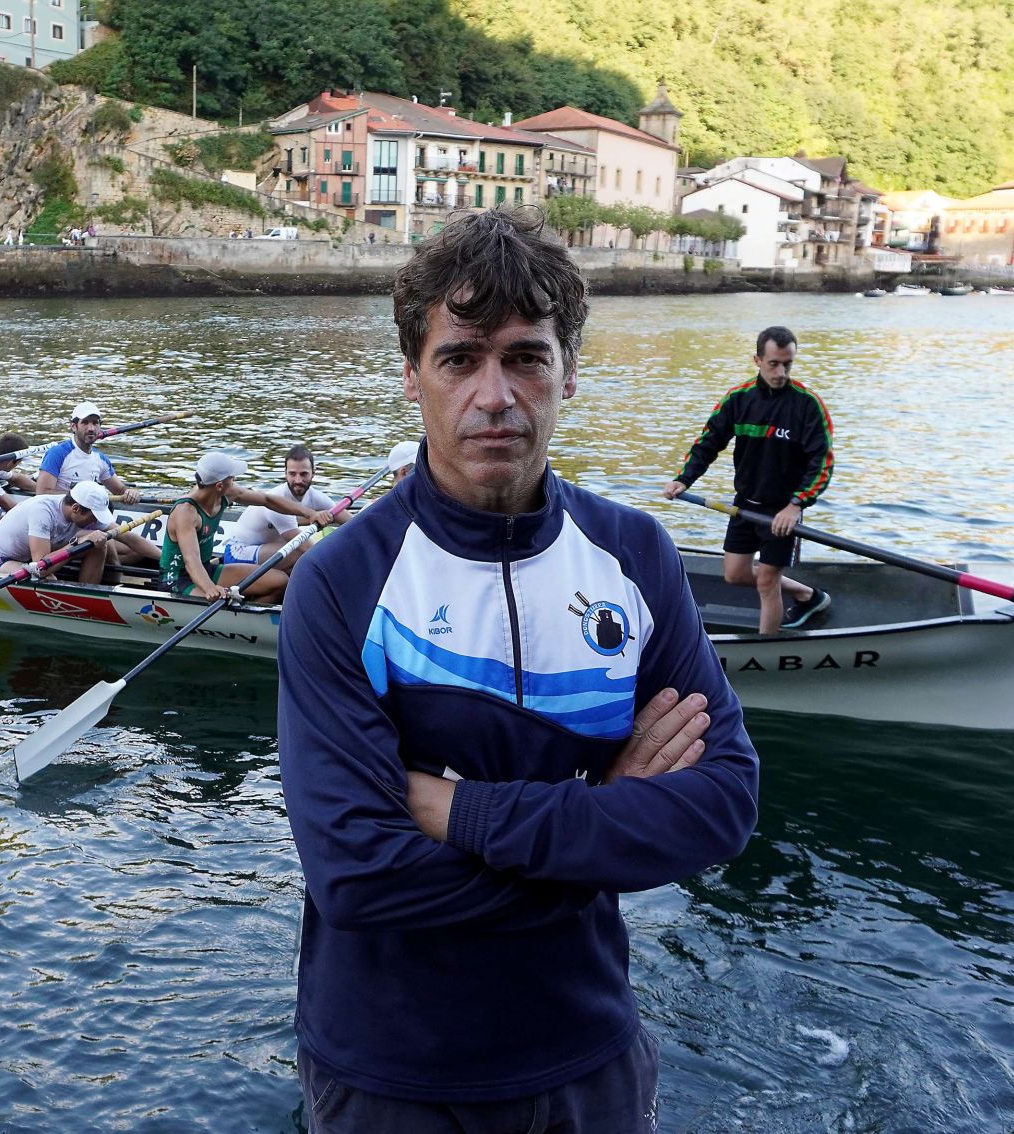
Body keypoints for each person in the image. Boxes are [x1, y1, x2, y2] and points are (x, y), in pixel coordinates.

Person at [277, 207, 759, 1132]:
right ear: (413, 378)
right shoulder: (342, 582)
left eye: (526, 357)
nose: (495, 394)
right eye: (460, 359)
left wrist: (458, 811)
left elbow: (723, 804)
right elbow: (359, 876)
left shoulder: (636, 554)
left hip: (589, 1054)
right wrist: (609, 814)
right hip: (390, 1076)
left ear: (567, 373)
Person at [663, 325, 834, 633]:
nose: (781, 372)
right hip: (744, 505)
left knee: (767, 582)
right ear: (757, 360)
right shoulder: (738, 400)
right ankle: (807, 594)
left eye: (788, 364)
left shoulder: (807, 404)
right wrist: (684, 480)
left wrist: (796, 505)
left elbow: (822, 464)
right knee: (735, 575)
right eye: (774, 364)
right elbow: (708, 444)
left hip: (782, 512)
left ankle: (767, 651)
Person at [160, 452, 330, 604]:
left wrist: (309, 513)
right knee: (218, 600)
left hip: (206, 569)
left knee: (280, 581)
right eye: (232, 478)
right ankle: (237, 618)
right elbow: (191, 561)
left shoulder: (226, 491)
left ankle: (250, 615)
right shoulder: (186, 512)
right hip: (178, 579)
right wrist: (210, 588)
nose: (234, 482)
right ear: (219, 486)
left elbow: (267, 500)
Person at [35, 401, 160, 569]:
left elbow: (120, 490)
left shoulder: (100, 459)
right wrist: (81, 498)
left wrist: (130, 493)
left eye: (95, 423)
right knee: (111, 553)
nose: (91, 428)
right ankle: (111, 572)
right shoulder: (58, 453)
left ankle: (170, 560)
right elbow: (41, 493)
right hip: (62, 523)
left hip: (89, 518)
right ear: (74, 426)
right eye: (85, 423)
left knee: (134, 547)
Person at [219, 445, 349, 578]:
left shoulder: (315, 496)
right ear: (285, 473)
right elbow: (303, 546)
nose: (298, 480)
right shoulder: (279, 498)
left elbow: (349, 519)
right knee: (300, 551)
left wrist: (370, 516)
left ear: (313, 473)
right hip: (237, 553)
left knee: (303, 559)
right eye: (292, 474)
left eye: (304, 474)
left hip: (266, 549)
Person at [0, 481, 117, 584]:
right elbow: (40, 569)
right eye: (93, 518)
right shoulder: (43, 511)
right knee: (46, 578)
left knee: (98, 546)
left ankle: (89, 595)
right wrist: (76, 544)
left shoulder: (81, 507)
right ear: (76, 508)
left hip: (28, 556)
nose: (95, 522)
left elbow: (128, 538)